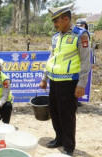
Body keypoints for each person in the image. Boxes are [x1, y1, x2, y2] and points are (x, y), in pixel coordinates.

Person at [39, 4, 90, 156]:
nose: (54, 24)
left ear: (66, 19)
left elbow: (86, 61)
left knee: (67, 115)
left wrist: (81, 84)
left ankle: (68, 147)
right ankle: (59, 139)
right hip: (54, 81)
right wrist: (44, 78)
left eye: (56, 21)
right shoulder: (55, 37)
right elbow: (52, 58)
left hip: (69, 83)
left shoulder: (81, 35)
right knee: (55, 112)